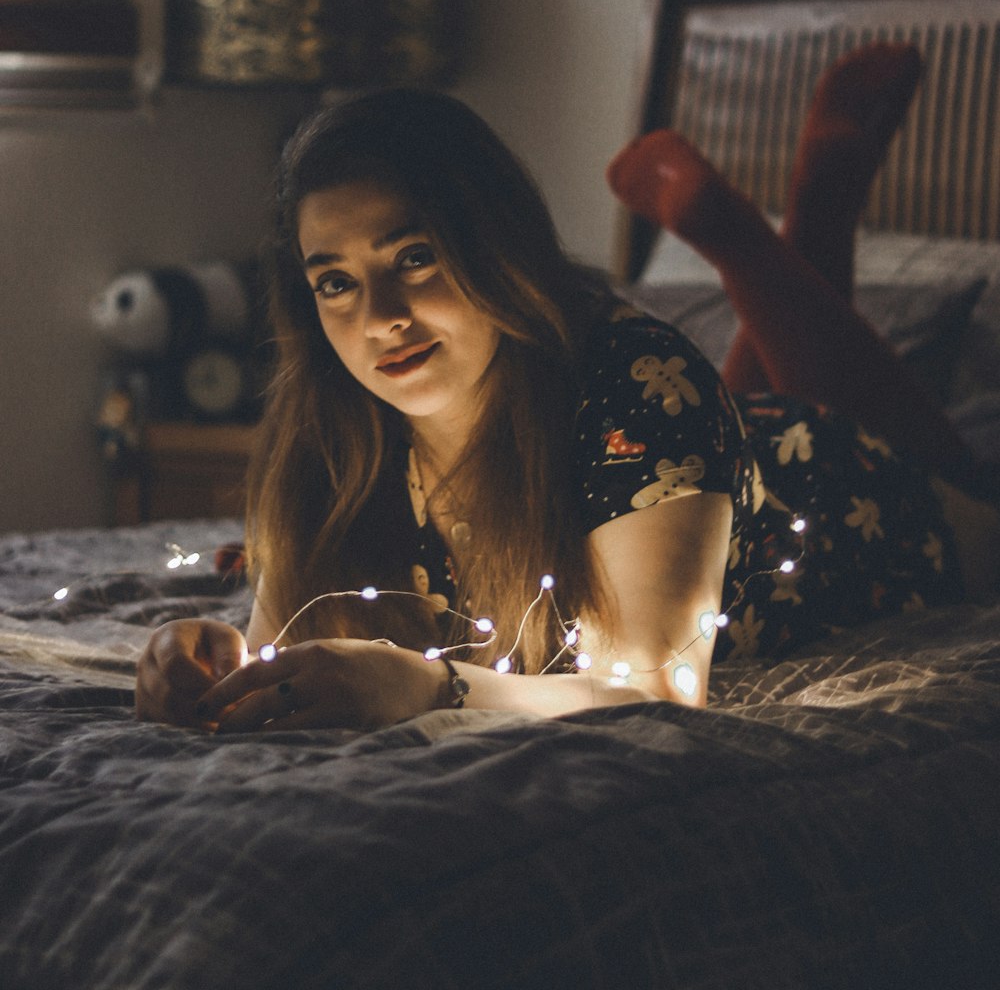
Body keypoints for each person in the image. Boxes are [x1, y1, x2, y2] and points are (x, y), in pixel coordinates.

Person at [135, 54, 999, 731]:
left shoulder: (637, 386)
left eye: (413, 258)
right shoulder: (329, 412)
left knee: (739, 390)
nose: (380, 320)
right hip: (707, 451)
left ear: (492, 243)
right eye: (336, 282)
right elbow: (277, 646)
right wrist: (209, 659)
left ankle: (793, 215)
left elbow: (656, 692)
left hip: (866, 495)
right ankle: (804, 214)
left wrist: (431, 688)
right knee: (710, 393)